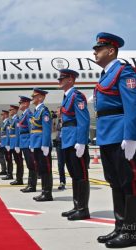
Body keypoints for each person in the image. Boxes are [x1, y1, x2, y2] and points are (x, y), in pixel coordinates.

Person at [92, 32, 136, 248]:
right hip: (107, 135)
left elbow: (131, 105)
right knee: (115, 182)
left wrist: (131, 137)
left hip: (120, 135)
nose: (94, 52)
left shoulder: (123, 70)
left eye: (98, 48)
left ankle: (131, 231)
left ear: (111, 50)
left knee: (129, 183)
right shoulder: (105, 74)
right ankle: (120, 227)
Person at [58, 69, 90, 221]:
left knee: (81, 175)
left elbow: (83, 120)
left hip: (75, 140)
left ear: (70, 80)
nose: (59, 81)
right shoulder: (67, 96)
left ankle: (83, 209)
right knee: (74, 175)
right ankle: (77, 206)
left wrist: (81, 142)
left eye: (62, 79)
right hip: (68, 140)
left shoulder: (77, 96)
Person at [30, 88, 53, 202]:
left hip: (42, 143)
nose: (32, 98)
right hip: (36, 143)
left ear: (41, 97)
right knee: (41, 169)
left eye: (34, 96)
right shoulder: (36, 110)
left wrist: (45, 144)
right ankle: (44, 191)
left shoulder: (44, 110)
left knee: (46, 168)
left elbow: (47, 129)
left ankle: (47, 193)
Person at [17, 96, 37, 193]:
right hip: (24, 142)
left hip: (28, 142)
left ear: (26, 104)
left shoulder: (28, 114)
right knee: (29, 165)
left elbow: (31, 129)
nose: (19, 105)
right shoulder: (23, 115)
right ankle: (30, 184)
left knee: (31, 165)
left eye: (20, 103)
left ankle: (32, 185)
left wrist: (31, 143)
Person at [5, 105, 24, 185]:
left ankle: (19, 179)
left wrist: (17, 145)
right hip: (12, 143)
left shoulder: (16, 120)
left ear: (15, 110)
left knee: (19, 162)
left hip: (16, 143)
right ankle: (18, 178)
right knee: (17, 161)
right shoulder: (12, 120)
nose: (9, 111)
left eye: (11, 110)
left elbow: (17, 133)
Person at [54, 107, 66, 191]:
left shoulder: (65, 119)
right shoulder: (57, 121)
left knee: (69, 163)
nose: (56, 113)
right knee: (60, 164)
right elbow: (55, 131)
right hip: (59, 143)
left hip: (65, 143)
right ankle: (62, 181)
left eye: (57, 111)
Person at [0, 110, 10, 176]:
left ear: (6, 115)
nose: (1, 116)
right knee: (1, 157)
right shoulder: (3, 123)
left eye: (2, 114)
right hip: (0, 143)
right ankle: (3, 170)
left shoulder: (7, 122)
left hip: (4, 143)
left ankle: (7, 171)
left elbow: (7, 134)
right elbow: (0, 134)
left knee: (7, 158)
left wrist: (6, 143)